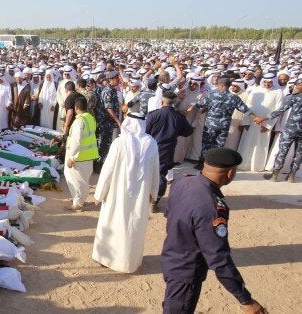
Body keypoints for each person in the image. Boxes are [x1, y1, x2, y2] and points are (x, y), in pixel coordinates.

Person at [162, 148, 266, 314]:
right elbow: (219, 258)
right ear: (230, 173)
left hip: (171, 257)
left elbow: (169, 214)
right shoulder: (212, 207)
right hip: (186, 270)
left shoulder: (182, 182)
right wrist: (245, 299)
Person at [91, 112, 159, 273]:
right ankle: (128, 261)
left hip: (117, 194)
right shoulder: (151, 143)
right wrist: (153, 192)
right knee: (133, 227)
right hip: (139, 195)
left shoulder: (119, 143)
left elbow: (107, 170)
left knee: (113, 223)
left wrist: (99, 193)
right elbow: (156, 171)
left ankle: (108, 259)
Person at [189, 77, 259, 170]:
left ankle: (202, 164)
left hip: (210, 125)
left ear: (221, 85)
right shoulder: (234, 97)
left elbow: (200, 104)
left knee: (206, 144)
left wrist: (191, 108)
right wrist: (256, 118)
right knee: (219, 146)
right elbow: (245, 110)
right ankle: (215, 165)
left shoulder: (212, 95)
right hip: (224, 126)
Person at [145, 91, 193, 212]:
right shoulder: (178, 116)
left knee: (146, 173)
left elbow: (145, 131)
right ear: (174, 102)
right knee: (161, 175)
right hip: (167, 149)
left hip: (150, 148)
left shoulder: (153, 115)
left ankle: (144, 199)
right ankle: (155, 202)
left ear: (162, 101)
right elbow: (187, 132)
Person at [236, 74, 282, 172]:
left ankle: (256, 166)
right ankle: (243, 165)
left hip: (265, 124)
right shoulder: (255, 90)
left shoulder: (278, 92)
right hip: (251, 122)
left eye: (270, 82)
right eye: (265, 82)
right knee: (247, 143)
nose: (267, 84)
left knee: (260, 145)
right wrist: (246, 121)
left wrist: (268, 125)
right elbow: (248, 106)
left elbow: (278, 110)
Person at [259, 78, 301, 182]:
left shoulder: (294, 97)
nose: (295, 87)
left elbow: (280, 111)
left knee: (283, 151)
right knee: (299, 153)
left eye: (298, 85)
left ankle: (275, 175)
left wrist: (264, 118)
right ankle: (291, 176)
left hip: (291, 128)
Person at [63, 97, 99, 211]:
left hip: (79, 157)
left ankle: (77, 203)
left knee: (76, 181)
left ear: (76, 108)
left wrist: (71, 157)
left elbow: (76, 141)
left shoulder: (79, 121)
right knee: (83, 181)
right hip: (88, 156)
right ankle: (79, 199)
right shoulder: (90, 118)